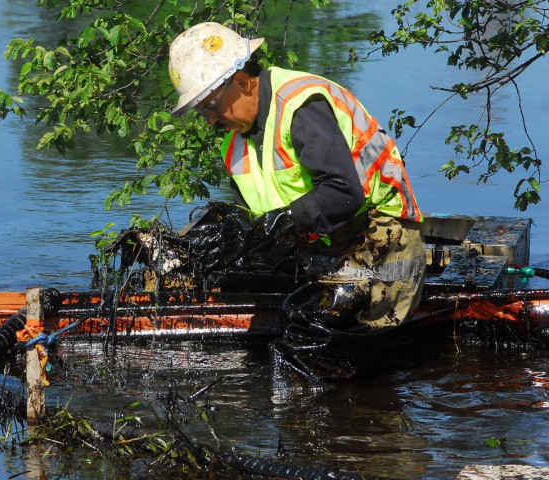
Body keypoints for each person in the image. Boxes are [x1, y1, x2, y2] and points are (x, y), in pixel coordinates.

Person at [168, 22, 426, 375]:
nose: (210, 119)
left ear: (242, 82)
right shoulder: (234, 147)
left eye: (211, 105)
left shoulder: (300, 104)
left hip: (384, 237)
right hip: (317, 248)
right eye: (201, 111)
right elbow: (250, 224)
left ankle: (327, 416)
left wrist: (284, 220)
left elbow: (343, 192)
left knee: (314, 324)